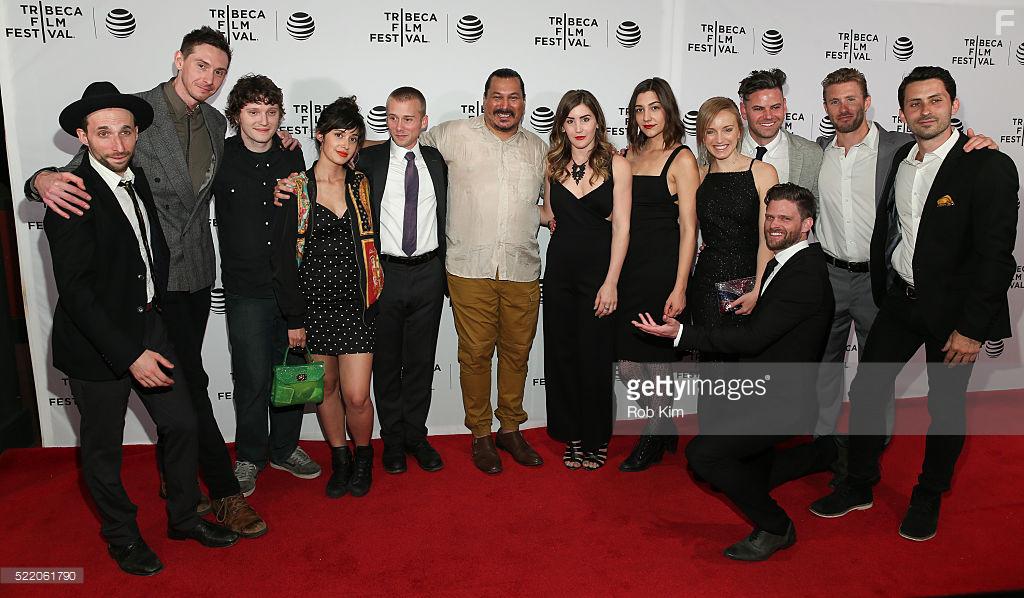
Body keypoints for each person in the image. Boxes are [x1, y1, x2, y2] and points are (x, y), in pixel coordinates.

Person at [25, 26, 265, 536]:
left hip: (195, 274)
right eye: (201, 65)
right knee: (191, 386)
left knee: (184, 388)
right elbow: (81, 170)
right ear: (179, 60)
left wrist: (283, 143)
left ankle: (180, 486)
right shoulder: (135, 114)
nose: (210, 78)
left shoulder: (216, 120)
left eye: (220, 71)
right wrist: (38, 180)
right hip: (149, 287)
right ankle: (223, 493)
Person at [809, 66, 1019, 542]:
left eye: (935, 101)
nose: (926, 111)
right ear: (902, 112)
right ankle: (859, 484)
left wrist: (973, 329)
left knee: (945, 407)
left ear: (954, 105)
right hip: (902, 300)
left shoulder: (987, 164)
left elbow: (996, 257)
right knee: (867, 389)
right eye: (915, 103)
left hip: (955, 315)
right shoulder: (902, 157)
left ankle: (928, 495)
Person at [45, 81, 239, 576]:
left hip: (149, 323)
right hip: (97, 343)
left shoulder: (137, 179)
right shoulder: (70, 194)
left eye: (126, 131)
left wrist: (156, 317)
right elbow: (78, 295)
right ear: (82, 136)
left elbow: (151, 251)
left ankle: (183, 517)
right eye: (103, 133)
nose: (117, 143)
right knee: (103, 451)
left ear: (137, 134)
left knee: (183, 423)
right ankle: (122, 537)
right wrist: (130, 354)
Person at [633, 183, 836, 562]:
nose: (773, 225)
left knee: (703, 456)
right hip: (762, 387)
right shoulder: (785, 261)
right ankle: (828, 453)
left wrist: (681, 334)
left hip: (783, 402)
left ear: (807, 224)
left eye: (785, 218)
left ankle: (776, 527)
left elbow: (754, 339)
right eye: (770, 216)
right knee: (745, 470)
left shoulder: (804, 275)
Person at [416, 69, 548, 474]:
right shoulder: (453, 134)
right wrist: (347, 148)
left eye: (513, 97)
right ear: (484, 99)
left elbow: (560, 198)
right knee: (474, 356)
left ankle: (510, 429)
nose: (504, 105)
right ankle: (480, 434)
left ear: (523, 102)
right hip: (468, 267)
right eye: (497, 96)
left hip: (522, 269)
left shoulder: (539, 149)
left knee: (517, 354)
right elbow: (402, 144)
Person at [214, 74, 318, 498]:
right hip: (245, 289)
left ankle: (285, 448)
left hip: (291, 286)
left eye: (271, 112)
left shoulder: (293, 155)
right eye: (253, 111)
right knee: (251, 377)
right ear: (236, 115)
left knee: (290, 370)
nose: (263, 120)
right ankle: (249, 456)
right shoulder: (220, 155)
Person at [274, 97, 383, 499]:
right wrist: (294, 318)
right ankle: (340, 459)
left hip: (357, 306)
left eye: (353, 138)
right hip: (313, 308)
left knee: (357, 396)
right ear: (319, 135)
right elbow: (282, 259)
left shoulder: (361, 184)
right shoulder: (296, 188)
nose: (345, 145)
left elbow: (397, 145)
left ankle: (364, 457)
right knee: (327, 389)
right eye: (338, 135)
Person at [357, 87, 448, 475]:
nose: (399, 126)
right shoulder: (369, 160)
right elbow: (329, 157)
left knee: (421, 361)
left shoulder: (437, 160)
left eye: (408, 118)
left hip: (429, 273)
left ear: (423, 121)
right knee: (387, 362)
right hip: (385, 274)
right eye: (392, 117)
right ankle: (392, 440)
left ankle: (416, 436)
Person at [540, 90, 631, 470]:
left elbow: (623, 227)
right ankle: (573, 435)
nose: (578, 127)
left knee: (595, 358)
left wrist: (611, 282)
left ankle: (596, 437)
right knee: (562, 356)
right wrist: (536, 214)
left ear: (597, 122)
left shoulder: (617, 165)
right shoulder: (552, 165)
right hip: (559, 272)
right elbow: (548, 212)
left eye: (585, 118)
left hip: (598, 274)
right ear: (562, 125)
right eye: (570, 120)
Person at [615, 78, 700, 472]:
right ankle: (664, 423)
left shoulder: (681, 158)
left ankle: (652, 435)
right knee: (628, 363)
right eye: (639, 109)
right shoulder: (627, 155)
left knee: (657, 359)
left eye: (654, 107)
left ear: (668, 109)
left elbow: (689, 229)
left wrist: (680, 286)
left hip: (662, 270)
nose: (646, 116)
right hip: (628, 268)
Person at [687, 97, 777, 360]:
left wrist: (757, 288)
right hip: (706, 282)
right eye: (710, 131)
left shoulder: (762, 172)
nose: (719, 139)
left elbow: (768, 239)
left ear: (739, 131)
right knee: (710, 362)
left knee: (743, 363)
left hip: (748, 280)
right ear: (702, 136)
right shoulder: (697, 175)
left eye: (727, 129)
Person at [737, 69, 822, 195]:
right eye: (759, 109)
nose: (768, 116)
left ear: (784, 105)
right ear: (744, 110)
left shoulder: (811, 154)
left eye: (775, 107)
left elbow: (816, 205)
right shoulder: (724, 149)